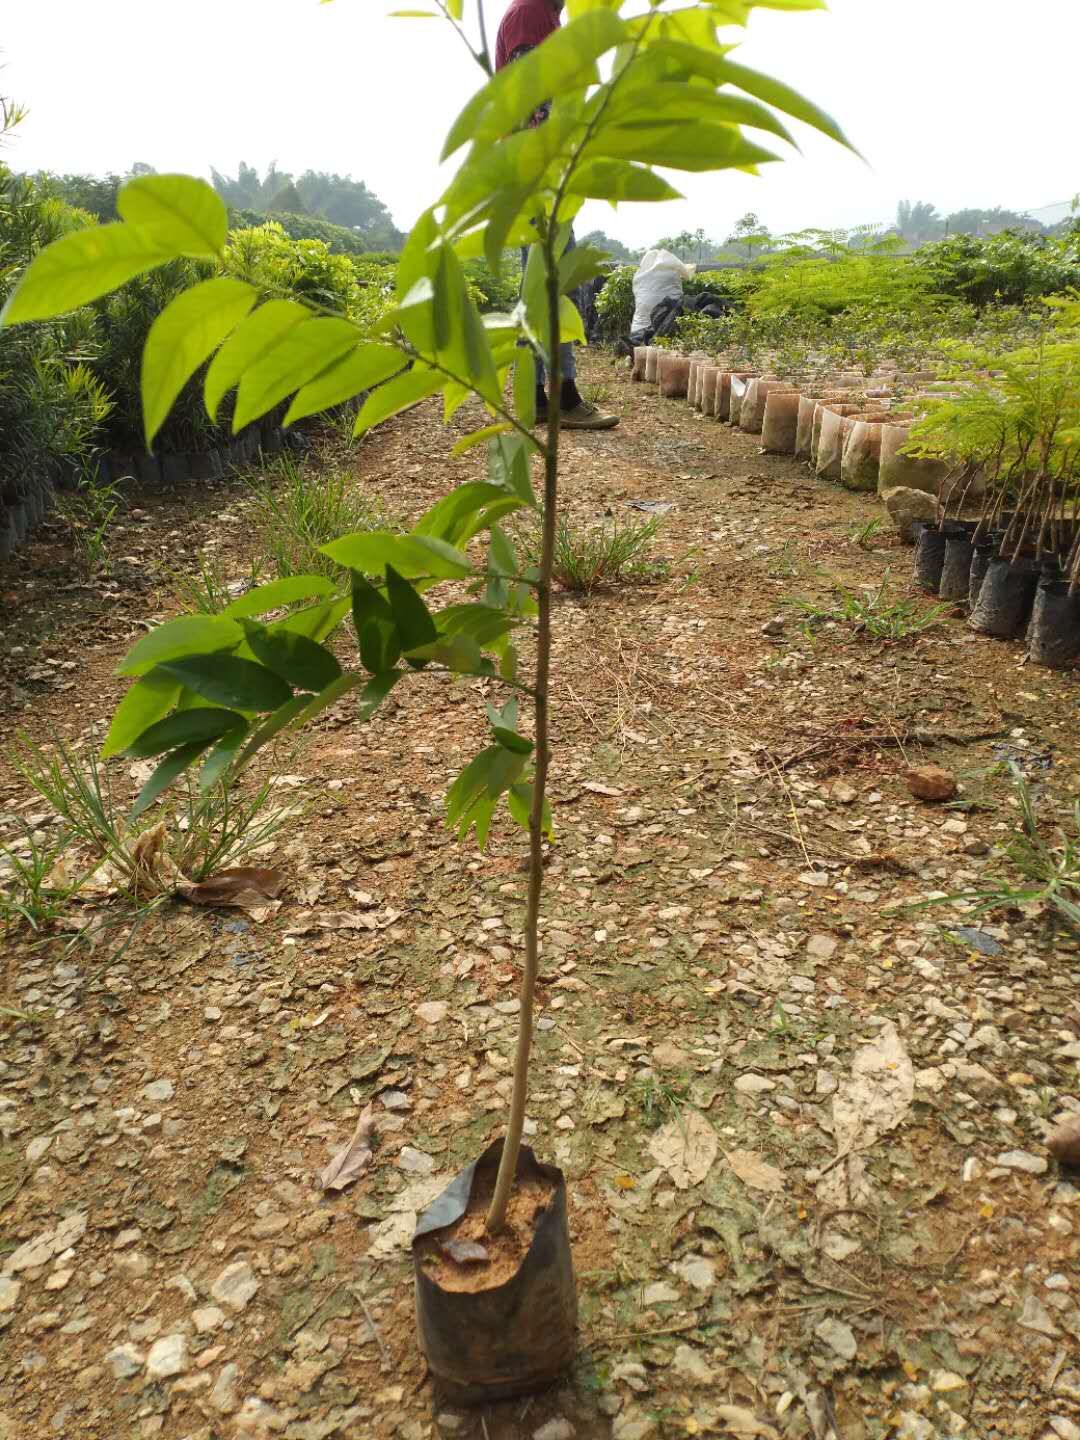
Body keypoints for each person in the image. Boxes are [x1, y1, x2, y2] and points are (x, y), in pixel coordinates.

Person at [496, 0, 619, 431]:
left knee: (546, 288)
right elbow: (533, 99)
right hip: (540, 174)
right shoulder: (531, 11)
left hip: (541, 173)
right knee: (553, 287)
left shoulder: (541, 14)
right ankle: (560, 397)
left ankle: (539, 398)